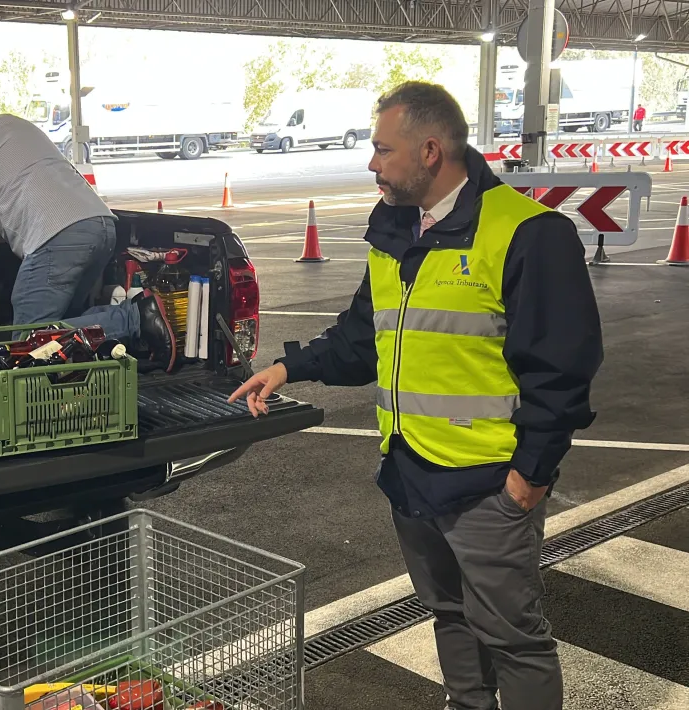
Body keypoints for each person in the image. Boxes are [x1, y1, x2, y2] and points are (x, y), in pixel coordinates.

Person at [230, 82, 603, 710]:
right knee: (448, 614)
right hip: (410, 470)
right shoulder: (395, 231)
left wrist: (529, 478)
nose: (371, 163)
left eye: (383, 150)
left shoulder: (528, 233)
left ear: (430, 152)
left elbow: (562, 369)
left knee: (514, 638)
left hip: (489, 483)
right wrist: (288, 368)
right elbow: (361, 338)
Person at [0, 103, 177, 369]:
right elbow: (19, 180)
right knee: (64, 326)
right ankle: (139, 323)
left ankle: (135, 318)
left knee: (30, 343)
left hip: (57, 239)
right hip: (100, 225)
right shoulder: (15, 124)